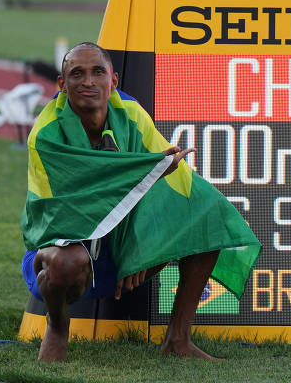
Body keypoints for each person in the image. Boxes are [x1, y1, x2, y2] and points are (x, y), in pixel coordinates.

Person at [20, 42, 261, 361]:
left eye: (98, 72)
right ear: (62, 85)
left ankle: (178, 340)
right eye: (77, 74)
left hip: (118, 248)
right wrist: (142, 174)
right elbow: (64, 211)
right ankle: (58, 325)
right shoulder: (46, 132)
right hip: (61, 251)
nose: (88, 82)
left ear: (114, 80)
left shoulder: (130, 113)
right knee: (66, 262)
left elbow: (163, 181)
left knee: (208, 211)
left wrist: (140, 247)